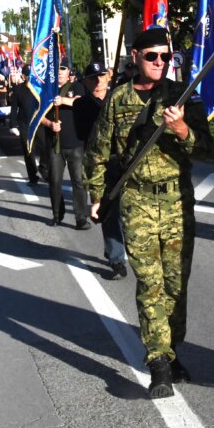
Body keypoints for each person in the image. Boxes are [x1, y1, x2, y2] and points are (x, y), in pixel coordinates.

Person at [84, 28, 209, 399]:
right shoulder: (118, 98)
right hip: (136, 201)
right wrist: (96, 195)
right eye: (152, 56)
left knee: (176, 284)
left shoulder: (183, 95)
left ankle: (172, 351)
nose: (159, 63)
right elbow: (98, 150)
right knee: (150, 282)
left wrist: (181, 128)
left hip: (176, 202)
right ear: (135, 57)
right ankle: (157, 362)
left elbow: (205, 147)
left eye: (165, 57)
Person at [74, 62, 128, 279]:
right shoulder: (82, 105)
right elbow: (83, 135)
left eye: (102, 76)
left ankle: (115, 247)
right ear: (85, 82)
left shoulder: (121, 98)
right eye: (93, 78)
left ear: (109, 76)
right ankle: (116, 259)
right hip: (101, 164)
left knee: (131, 212)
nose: (98, 81)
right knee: (109, 212)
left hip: (126, 161)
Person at [42, 61, 89, 228]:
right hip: (56, 144)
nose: (60, 72)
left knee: (78, 181)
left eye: (63, 68)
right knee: (55, 181)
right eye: (57, 69)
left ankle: (81, 218)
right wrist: (50, 124)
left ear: (69, 71)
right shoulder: (47, 89)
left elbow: (81, 101)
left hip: (76, 143)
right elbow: (38, 114)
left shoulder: (76, 86)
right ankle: (56, 214)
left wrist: (62, 100)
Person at [11, 66, 43, 185]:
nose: (30, 77)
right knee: (28, 151)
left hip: (40, 123)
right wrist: (13, 125)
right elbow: (14, 108)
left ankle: (44, 169)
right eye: (28, 75)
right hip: (25, 124)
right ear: (24, 76)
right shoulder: (18, 89)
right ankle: (33, 176)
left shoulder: (40, 87)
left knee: (44, 148)